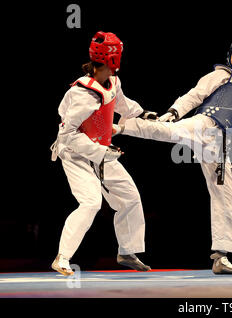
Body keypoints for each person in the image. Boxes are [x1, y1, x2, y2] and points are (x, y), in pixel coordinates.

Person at [114, 36, 232, 275]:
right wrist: (173, 112)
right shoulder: (220, 75)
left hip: (220, 144)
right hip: (204, 124)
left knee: (227, 195)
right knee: (166, 131)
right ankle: (121, 126)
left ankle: (221, 257)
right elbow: (194, 95)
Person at [50, 31, 155, 276]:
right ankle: (62, 258)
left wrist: (142, 113)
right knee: (91, 202)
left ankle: (127, 251)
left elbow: (120, 103)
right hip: (76, 155)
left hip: (102, 151)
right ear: (112, 58)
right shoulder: (82, 94)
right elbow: (67, 136)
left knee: (129, 196)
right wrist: (100, 151)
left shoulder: (112, 81)